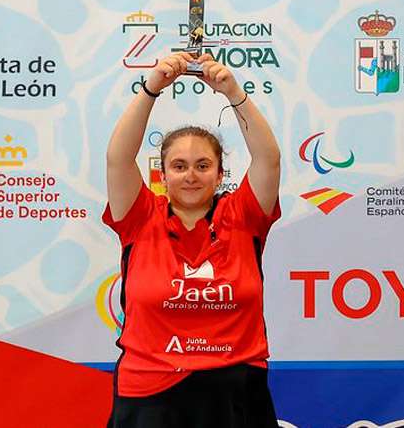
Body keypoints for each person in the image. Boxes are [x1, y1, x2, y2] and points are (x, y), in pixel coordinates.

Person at [103, 51, 282, 428]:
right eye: (179, 166)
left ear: (219, 175)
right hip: (150, 393)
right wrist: (151, 88)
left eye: (203, 166)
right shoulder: (139, 218)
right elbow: (118, 158)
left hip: (235, 393)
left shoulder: (244, 217)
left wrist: (233, 92)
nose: (191, 176)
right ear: (163, 175)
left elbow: (269, 159)